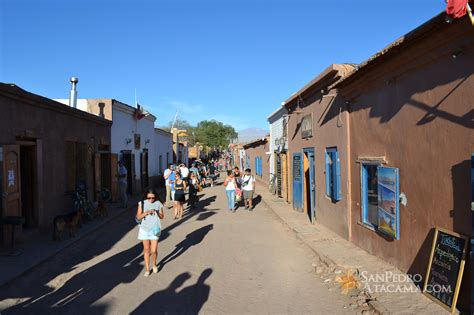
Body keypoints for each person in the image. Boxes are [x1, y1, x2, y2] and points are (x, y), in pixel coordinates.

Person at [135, 188, 164, 277]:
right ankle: (147, 269)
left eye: (153, 198)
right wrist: (146, 212)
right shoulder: (142, 203)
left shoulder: (158, 203)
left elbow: (162, 216)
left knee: (154, 250)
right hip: (144, 229)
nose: (151, 200)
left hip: (154, 229)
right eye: (149, 198)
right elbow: (138, 217)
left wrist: (157, 212)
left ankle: (154, 264)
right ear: (146, 197)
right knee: (146, 250)